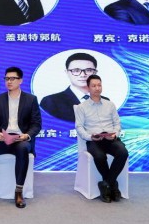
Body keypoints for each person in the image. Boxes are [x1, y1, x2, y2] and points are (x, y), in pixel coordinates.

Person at [0, 67, 42, 209]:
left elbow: (36, 124)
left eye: (13, 78)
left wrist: (27, 135)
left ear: (20, 80)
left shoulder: (31, 99)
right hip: (3, 138)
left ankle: (18, 192)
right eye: (7, 79)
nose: (9, 81)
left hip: (21, 139)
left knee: (23, 149)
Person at [74, 75, 128, 203]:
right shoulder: (82, 107)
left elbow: (117, 123)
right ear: (88, 88)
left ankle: (106, 184)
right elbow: (79, 127)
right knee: (99, 156)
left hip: (110, 138)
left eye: (99, 85)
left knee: (123, 152)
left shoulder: (110, 105)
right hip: (94, 140)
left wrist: (115, 134)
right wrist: (90, 137)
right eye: (94, 86)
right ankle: (113, 185)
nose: (97, 88)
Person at [40, 53, 103, 122]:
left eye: (88, 70)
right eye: (76, 70)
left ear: (95, 73)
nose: (83, 75)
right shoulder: (51, 101)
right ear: (67, 72)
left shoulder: (104, 101)